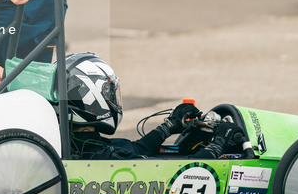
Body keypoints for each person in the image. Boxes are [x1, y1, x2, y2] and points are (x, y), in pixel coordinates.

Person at [64, 53, 246, 160]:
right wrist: (219, 143)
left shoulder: (82, 144)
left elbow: (135, 149)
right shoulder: (104, 157)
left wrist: (168, 126)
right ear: (91, 99)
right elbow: (185, 173)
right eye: (107, 92)